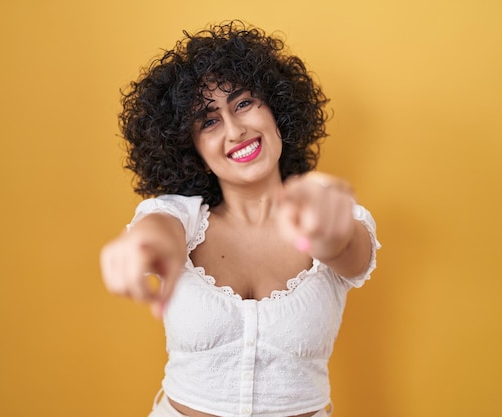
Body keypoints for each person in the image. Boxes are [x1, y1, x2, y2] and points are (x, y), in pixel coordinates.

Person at [100, 20, 380, 417]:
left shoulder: (333, 214)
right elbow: (157, 234)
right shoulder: (181, 217)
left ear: (276, 109)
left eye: (244, 103)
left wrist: (327, 234)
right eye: (209, 121)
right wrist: (140, 248)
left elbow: (346, 247)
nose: (235, 130)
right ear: (189, 146)